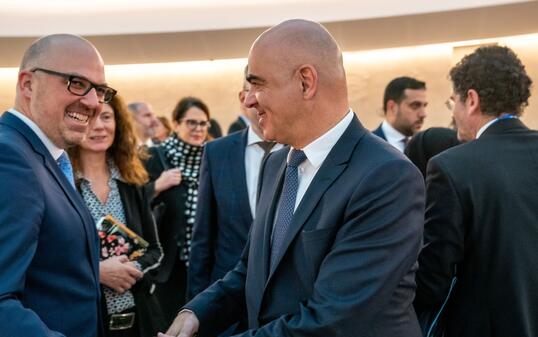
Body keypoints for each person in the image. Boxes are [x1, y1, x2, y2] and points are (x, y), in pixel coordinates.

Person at [160, 19, 424, 337]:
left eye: (258, 84)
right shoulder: (276, 164)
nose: (247, 100)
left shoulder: (387, 177)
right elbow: (252, 271)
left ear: (305, 82)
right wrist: (196, 314)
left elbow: (333, 321)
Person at [415, 45, 536, 337]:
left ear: (471, 100)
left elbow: (434, 277)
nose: (453, 113)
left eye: (452, 102)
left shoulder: (451, 167)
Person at [0, 34, 116, 337]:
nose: (92, 102)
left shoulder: (47, 157)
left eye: (100, 90)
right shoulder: (9, 157)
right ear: (28, 84)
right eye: (76, 83)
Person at [68, 95, 165, 337]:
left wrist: (129, 269)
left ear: (118, 123)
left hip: (140, 319)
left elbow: (154, 250)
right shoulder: (62, 184)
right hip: (87, 322)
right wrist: (98, 272)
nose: (99, 126)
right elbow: (51, 259)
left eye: (107, 117)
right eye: (89, 117)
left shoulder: (132, 182)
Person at [188, 67, 283, 303]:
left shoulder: (300, 152)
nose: (259, 101)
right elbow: (203, 237)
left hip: (282, 303)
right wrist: (196, 306)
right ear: (243, 98)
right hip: (226, 301)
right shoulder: (217, 152)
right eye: (254, 92)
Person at [145, 96, 211, 324]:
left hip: (205, 263)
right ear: (175, 124)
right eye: (191, 122)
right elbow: (133, 204)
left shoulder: (213, 157)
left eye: (203, 123)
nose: (198, 129)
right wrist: (156, 186)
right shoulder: (154, 158)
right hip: (168, 267)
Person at [372, 76, 428, 152]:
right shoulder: (368, 146)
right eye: (415, 105)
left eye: (424, 106)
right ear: (392, 107)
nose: (423, 114)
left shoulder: (426, 147)